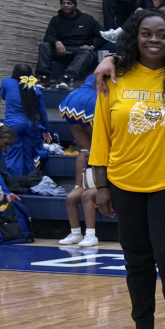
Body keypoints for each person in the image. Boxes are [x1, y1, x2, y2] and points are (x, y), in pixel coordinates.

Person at [90, 9, 165, 329]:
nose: (154, 40)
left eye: (162, 35)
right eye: (147, 34)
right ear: (135, 37)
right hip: (124, 180)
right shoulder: (115, 76)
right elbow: (100, 134)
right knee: (135, 259)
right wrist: (101, 183)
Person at [57, 74, 99, 246]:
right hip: (84, 99)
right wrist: (78, 185)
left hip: (110, 178)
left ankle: (91, 234)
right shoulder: (99, 76)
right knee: (72, 196)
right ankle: (76, 233)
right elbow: (83, 153)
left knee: (88, 195)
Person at [36, 0, 101, 81]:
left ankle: (68, 77)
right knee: (44, 46)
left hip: (80, 50)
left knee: (87, 53)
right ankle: (43, 76)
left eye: (69, 3)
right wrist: (56, 42)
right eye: (63, 3)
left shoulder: (87, 19)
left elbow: (103, 35)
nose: (66, 5)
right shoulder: (56, 20)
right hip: (62, 51)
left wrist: (92, 46)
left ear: (75, 5)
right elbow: (48, 36)